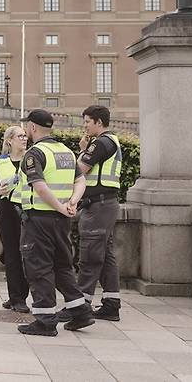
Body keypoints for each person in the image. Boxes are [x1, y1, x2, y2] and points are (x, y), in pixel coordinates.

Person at [17, 109, 94, 337]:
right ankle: (80, 311)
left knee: (38, 268)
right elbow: (81, 181)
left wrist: (61, 206)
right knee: (62, 266)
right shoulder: (67, 152)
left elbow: (39, 187)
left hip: (39, 219)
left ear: (32, 127)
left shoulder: (35, 153)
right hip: (61, 221)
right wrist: (72, 203)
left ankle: (45, 320)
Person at [61, 105, 123, 322]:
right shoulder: (111, 141)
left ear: (98, 122)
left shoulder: (101, 143)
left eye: (87, 121)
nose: (84, 125)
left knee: (90, 256)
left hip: (98, 206)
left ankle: (80, 306)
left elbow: (78, 171)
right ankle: (111, 304)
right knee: (106, 256)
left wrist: (82, 150)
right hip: (105, 205)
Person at [0, 125, 30, 313]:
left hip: (27, 208)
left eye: (25, 136)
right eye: (20, 136)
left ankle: (22, 295)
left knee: (27, 254)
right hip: (8, 209)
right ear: (10, 140)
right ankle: (16, 297)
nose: (24, 139)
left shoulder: (32, 158)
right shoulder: (1, 161)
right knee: (12, 254)